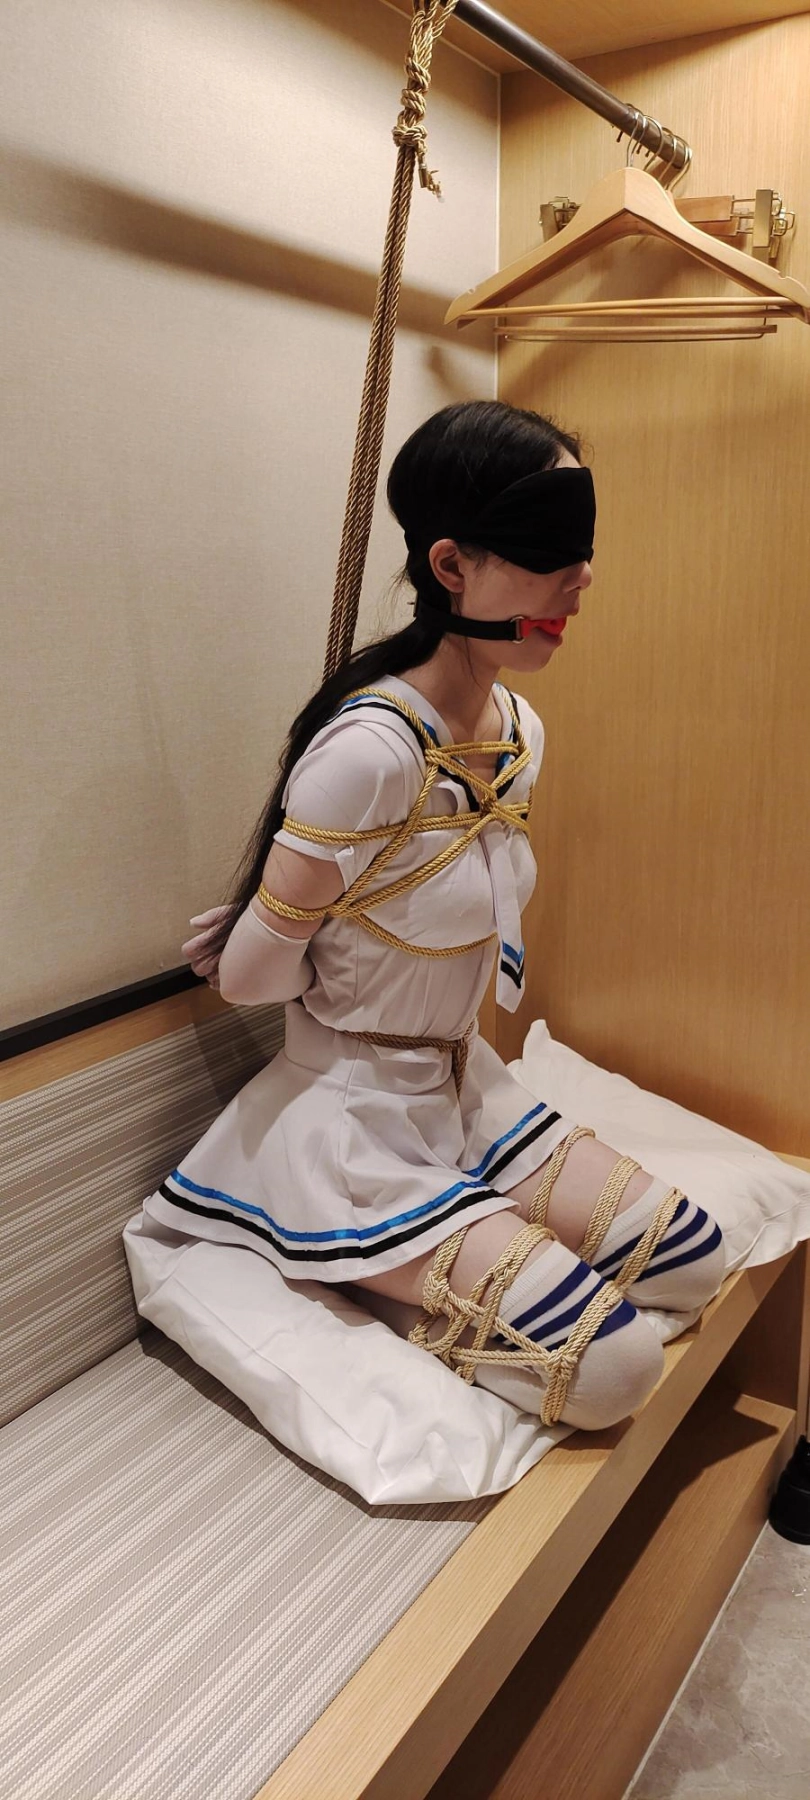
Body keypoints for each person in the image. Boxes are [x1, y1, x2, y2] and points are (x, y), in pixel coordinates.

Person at [150, 400, 725, 1430]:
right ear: (452, 564)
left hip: (464, 1085)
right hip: (353, 1117)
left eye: (584, 545)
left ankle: (458, 1235)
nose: (581, 577)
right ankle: (351, 1259)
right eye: (548, 544)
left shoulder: (517, 729)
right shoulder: (370, 752)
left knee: (693, 1260)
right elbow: (248, 980)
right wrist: (285, 919)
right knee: (614, 1367)